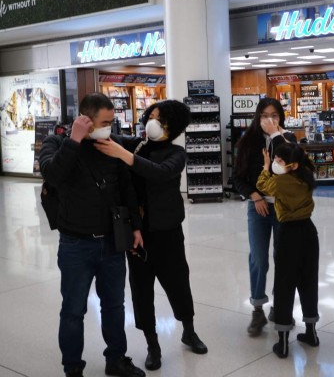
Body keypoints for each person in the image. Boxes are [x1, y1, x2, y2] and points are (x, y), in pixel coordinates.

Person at [93, 100, 207, 371]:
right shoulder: (136, 145)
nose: (153, 123)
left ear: (173, 127)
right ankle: (152, 344)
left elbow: (160, 173)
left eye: (162, 120)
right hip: (137, 233)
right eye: (151, 117)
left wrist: (125, 155)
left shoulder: (177, 153)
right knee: (141, 290)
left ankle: (188, 330)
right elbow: (107, 135)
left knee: (178, 282)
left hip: (168, 231)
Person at [39, 93, 146, 377]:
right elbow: (52, 175)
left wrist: (135, 226)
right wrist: (74, 140)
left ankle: (116, 359)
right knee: (73, 310)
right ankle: (72, 366)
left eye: (112, 122)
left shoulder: (111, 146)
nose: (110, 128)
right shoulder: (59, 144)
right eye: (105, 122)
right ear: (85, 121)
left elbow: (126, 189)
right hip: (76, 244)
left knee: (114, 305)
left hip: (112, 242)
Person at [232, 98, 297, 336]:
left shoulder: (289, 140)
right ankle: (257, 307)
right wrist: (255, 196)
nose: (269, 120)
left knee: (284, 258)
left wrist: (278, 136)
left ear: (281, 117)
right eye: (264, 115)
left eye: (275, 115)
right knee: (259, 258)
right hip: (258, 208)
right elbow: (237, 178)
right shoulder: (248, 142)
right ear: (257, 117)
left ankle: (280, 306)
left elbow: (294, 171)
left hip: (283, 208)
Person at [256, 142, 320, 359]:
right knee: (308, 281)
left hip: (288, 233)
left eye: (280, 161)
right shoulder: (307, 176)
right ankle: (311, 332)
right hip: (309, 232)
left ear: (292, 165)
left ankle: (283, 342)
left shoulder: (282, 182)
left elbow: (262, 184)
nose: (275, 162)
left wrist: (266, 166)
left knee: (284, 284)